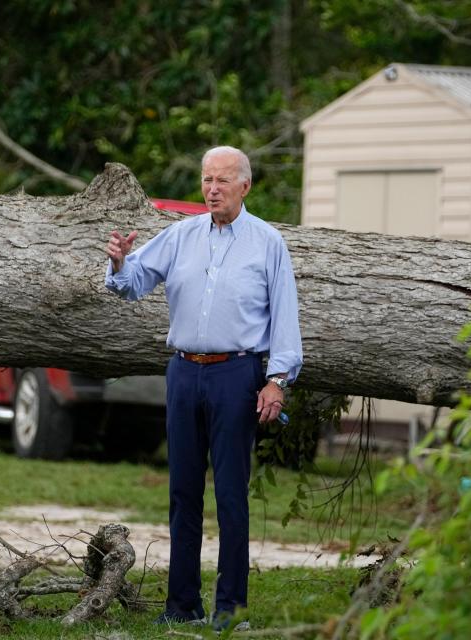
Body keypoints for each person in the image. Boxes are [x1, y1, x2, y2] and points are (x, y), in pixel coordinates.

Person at [104, 146, 303, 631]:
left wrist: (276, 381)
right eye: (206, 179)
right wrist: (118, 262)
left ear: (245, 187)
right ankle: (183, 606)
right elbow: (129, 285)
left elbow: (285, 319)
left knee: (231, 495)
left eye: (222, 180)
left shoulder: (267, 243)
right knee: (183, 492)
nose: (212, 188)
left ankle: (230, 610)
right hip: (183, 372)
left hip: (236, 375)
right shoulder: (180, 235)